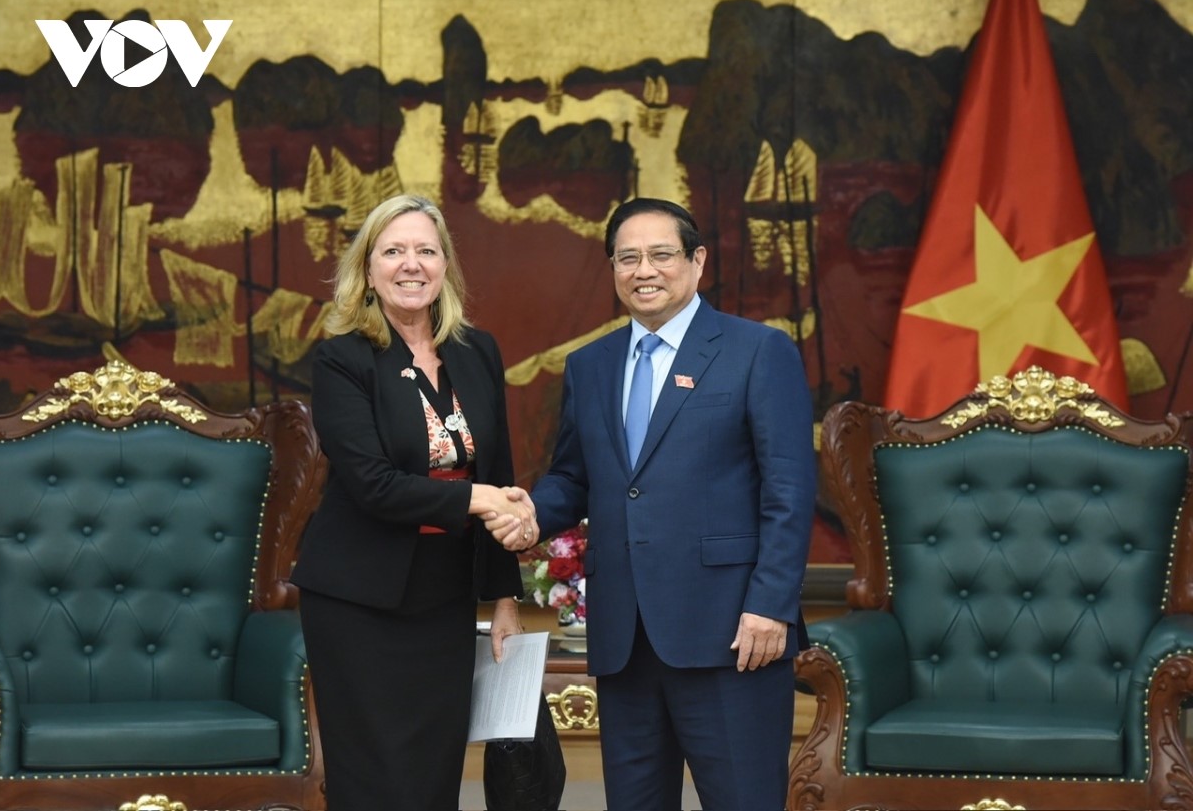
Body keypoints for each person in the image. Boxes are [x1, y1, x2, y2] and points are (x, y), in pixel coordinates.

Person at [488, 197, 815, 810]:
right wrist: (526, 514)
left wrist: (770, 606)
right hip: (625, 640)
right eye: (627, 258)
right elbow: (573, 477)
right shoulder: (590, 365)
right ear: (612, 268)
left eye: (661, 255)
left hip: (732, 633)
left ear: (697, 261)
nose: (644, 271)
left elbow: (789, 491)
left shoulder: (757, 351)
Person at [291, 194, 539, 810]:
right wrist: (482, 498)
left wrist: (505, 600)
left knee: (433, 774)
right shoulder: (342, 358)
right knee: (375, 778)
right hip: (358, 601)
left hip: (444, 597)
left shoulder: (477, 351)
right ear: (367, 268)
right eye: (393, 251)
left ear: (445, 265)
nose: (411, 264)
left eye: (426, 250)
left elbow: (498, 470)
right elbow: (372, 484)